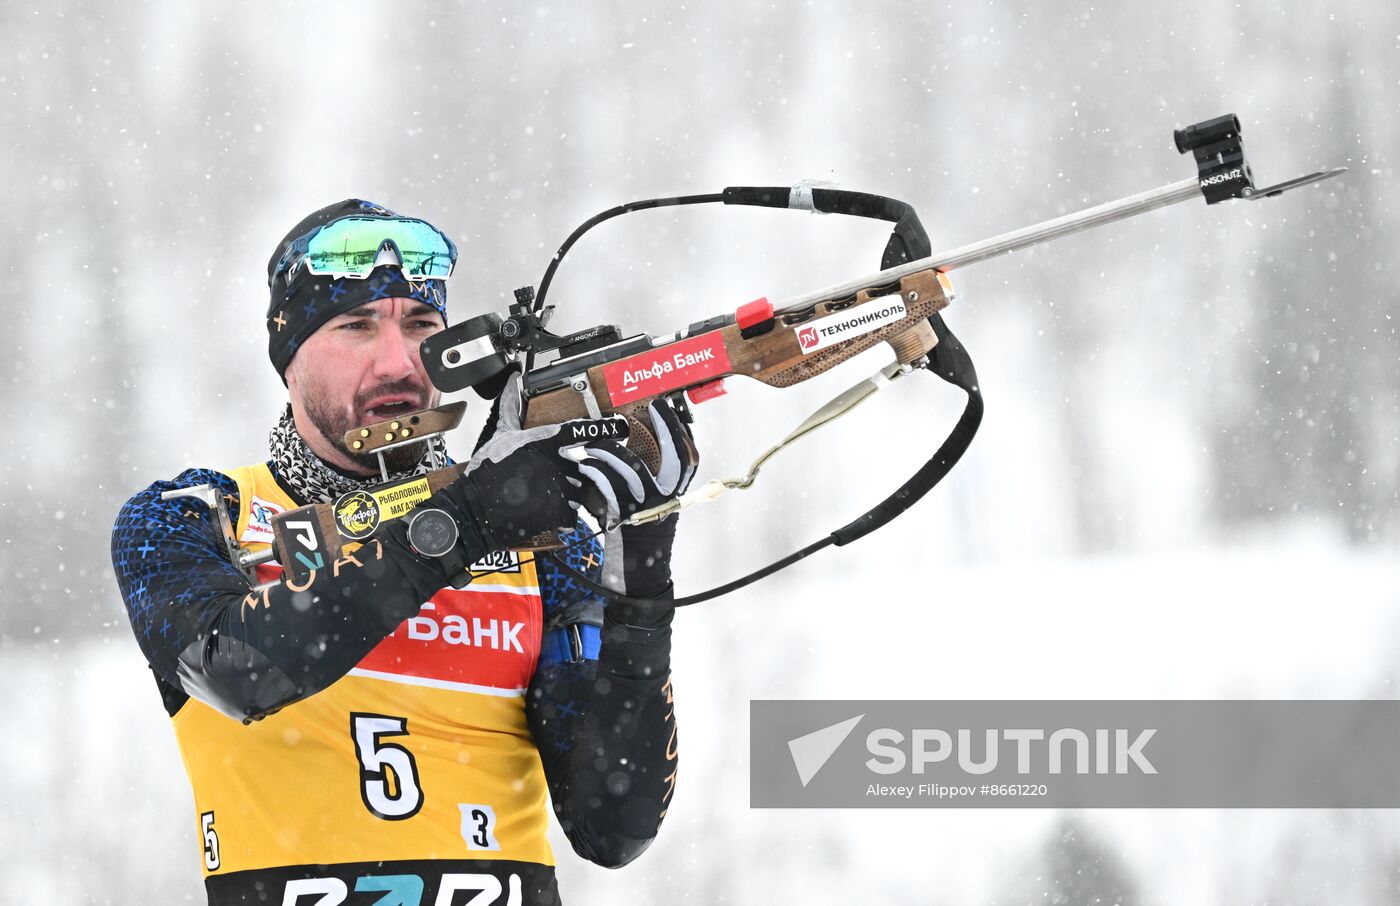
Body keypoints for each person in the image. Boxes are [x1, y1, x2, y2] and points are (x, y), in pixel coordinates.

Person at [110, 199, 696, 906]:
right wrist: (470, 518)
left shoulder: (538, 549)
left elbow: (614, 827)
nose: (398, 362)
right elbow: (241, 671)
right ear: (289, 360)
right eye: (355, 327)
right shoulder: (199, 514)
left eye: (421, 326)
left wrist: (644, 550)